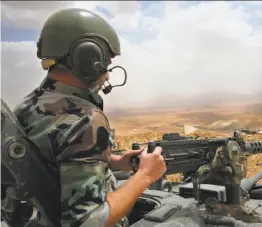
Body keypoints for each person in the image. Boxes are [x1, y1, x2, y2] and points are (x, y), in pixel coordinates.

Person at [13, 8, 166, 227]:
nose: (107, 74)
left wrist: (113, 161)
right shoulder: (85, 119)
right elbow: (87, 222)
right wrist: (145, 175)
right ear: (87, 57)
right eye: (106, 63)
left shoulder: (29, 105)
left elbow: (53, 162)